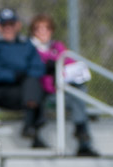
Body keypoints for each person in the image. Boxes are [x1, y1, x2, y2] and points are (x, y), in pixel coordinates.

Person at [30, 14, 99, 157]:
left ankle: (82, 135)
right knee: (78, 99)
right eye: (38, 29)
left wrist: (68, 72)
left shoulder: (58, 47)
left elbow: (70, 64)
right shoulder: (30, 49)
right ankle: (82, 135)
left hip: (62, 91)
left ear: (51, 30)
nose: (43, 32)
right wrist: (49, 69)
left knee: (79, 92)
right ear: (33, 31)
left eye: (46, 28)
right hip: (46, 95)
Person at [0, 7, 48, 148]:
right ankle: (33, 129)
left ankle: (29, 126)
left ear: (18, 25)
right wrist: (13, 76)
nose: (8, 28)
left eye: (11, 24)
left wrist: (25, 75)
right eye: (4, 24)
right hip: (2, 92)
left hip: (26, 90)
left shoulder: (26, 44)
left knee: (32, 83)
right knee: (33, 89)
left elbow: (38, 67)